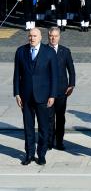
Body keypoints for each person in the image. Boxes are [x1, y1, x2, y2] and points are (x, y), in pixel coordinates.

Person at [13, 28, 59, 166]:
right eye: (30, 36)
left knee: (44, 127)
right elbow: (16, 75)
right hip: (26, 96)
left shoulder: (49, 52)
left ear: (40, 37)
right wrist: (16, 93)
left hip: (43, 96)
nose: (31, 38)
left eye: (34, 36)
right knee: (28, 127)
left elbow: (54, 76)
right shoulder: (20, 51)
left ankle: (42, 154)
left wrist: (52, 95)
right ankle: (29, 154)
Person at [47, 28, 75, 151]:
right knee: (49, 118)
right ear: (48, 36)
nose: (53, 38)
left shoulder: (65, 51)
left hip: (61, 90)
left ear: (59, 37)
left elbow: (71, 69)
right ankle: (49, 141)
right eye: (51, 36)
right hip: (47, 90)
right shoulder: (43, 50)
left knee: (60, 117)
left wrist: (71, 84)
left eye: (56, 36)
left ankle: (59, 141)